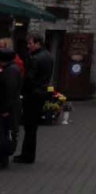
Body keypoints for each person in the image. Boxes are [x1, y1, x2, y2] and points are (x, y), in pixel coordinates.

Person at [14, 32, 54, 164]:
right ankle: (28, 154)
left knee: (29, 126)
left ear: (38, 43)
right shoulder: (48, 56)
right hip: (41, 92)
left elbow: (30, 78)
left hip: (32, 94)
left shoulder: (35, 58)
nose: (28, 46)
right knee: (32, 126)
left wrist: (22, 88)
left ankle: (27, 155)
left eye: (30, 43)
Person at [0, 42, 23, 169]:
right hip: (10, 106)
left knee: (5, 133)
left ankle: (3, 159)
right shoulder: (11, 68)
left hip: (9, 108)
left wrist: (5, 109)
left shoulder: (10, 71)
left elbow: (10, 92)